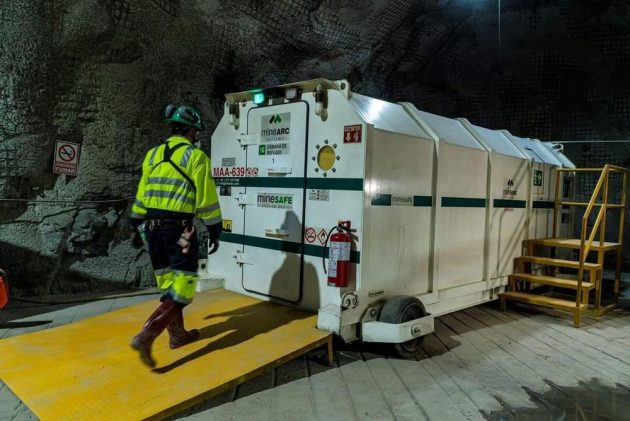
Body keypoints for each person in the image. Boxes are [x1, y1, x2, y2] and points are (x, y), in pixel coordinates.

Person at [129, 104, 222, 367]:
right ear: (191, 131)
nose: (197, 136)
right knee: (184, 287)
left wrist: (136, 224)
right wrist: (215, 229)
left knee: (169, 284)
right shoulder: (196, 157)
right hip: (179, 231)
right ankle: (147, 334)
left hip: (151, 229)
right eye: (196, 132)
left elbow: (142, 195)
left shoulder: (152, 155)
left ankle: (178, 335)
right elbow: (206, 201)